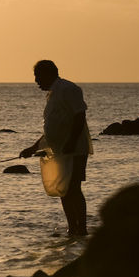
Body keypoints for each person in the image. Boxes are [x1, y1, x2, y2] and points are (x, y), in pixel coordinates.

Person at [19, 59, 91, 237]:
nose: (36, 81)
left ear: (48, 74)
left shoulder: (69, 89)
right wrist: (34, 147)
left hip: (75, 149)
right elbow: (52, 128)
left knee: (73, 187)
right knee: (64, 190)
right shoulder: (52, 94)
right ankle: (72, 228)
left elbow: (79, 116)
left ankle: (81, 229)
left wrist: (72, 142)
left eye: (38, 76)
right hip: (60, 150)